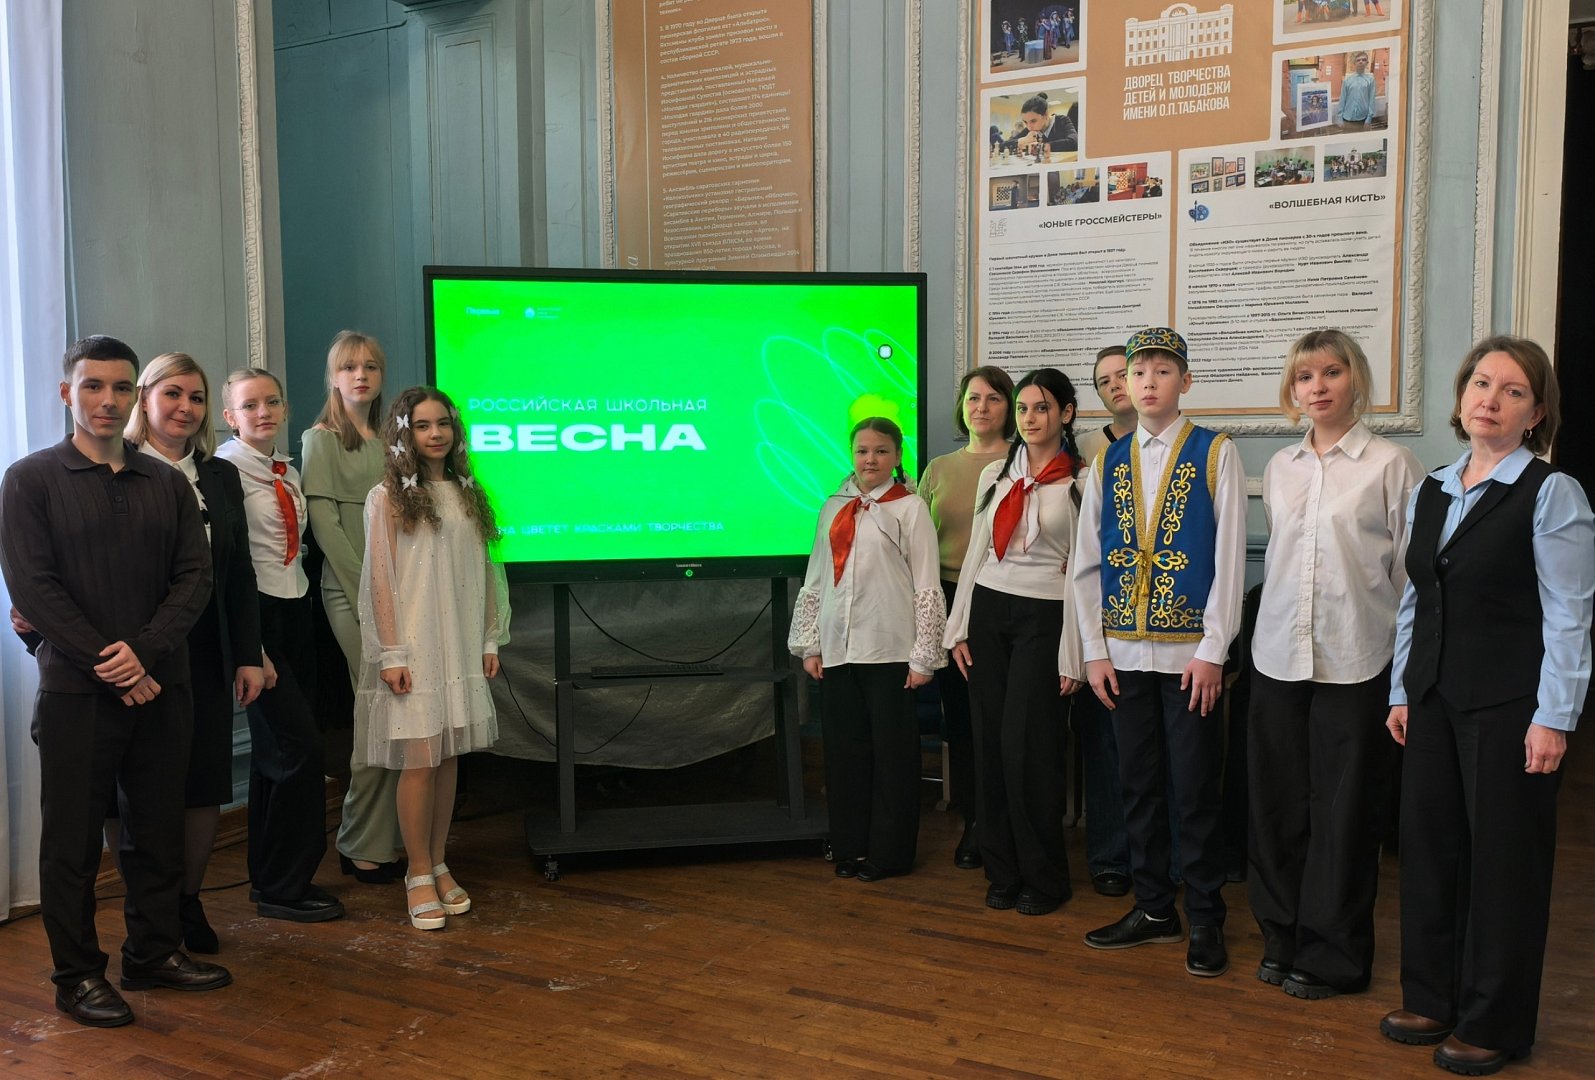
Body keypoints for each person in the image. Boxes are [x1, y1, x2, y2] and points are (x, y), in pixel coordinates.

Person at [0, 335, 230, 1029]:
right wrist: (113, 662)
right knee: (71, 845)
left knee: (155, 832)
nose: (108, 400)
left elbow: (195, 578)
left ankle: (152, 954)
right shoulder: (30, 479)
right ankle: (76, 977)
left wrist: (144, 654)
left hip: (163, 687)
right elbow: (33, 589)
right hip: (76, 694)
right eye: (92, 386)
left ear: (134, 395)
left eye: (121, 387)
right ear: (66, 393)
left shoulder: (166, 482)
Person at [1380, 336, 1593, 1075]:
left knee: (1505, 867)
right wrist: (1402, 689)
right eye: (1480, 383)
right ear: (1462, 394)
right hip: (1432, 699)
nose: (1490, 400)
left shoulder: (1551, 492)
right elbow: (1417, 598)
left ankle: (1493, 1021)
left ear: (1535, 413)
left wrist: (1554, 717)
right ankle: (1431, 997)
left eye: (1511, 391)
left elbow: (1569, 614)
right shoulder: (1433, 487)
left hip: (1510, 706)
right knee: (1429, 853)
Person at [1249, 330, 1422, 1000]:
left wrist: (1403, 677)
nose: (1317, 387)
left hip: (1357, 659)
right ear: (1291, 390)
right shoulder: (1282, 467)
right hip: (1277, 658)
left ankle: (1335, 956)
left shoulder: (1391, 465)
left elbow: (1410, 579)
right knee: (1277, 808)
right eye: (1304, 377)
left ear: (1356, 380)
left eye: (1331, 372)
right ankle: (1280, 935)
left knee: (1344, 816)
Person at [1072, 327, 1246, 977]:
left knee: (1194, 789)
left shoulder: (1214, 453)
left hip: (1188, 659)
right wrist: (1094, 651)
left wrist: (1213, 649)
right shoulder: (1107, 461)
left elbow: (1229, 557)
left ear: (1184, 381)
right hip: (1122, 654)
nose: (1147, 382)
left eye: (1162, 370)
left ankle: (1204, 915)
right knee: (1136, 784)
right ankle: (1152, 909)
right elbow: (1086, 562)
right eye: (1138, 371)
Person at [120, 352, 267, 953]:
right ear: (145, 399)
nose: (186, 407)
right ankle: (148, 911)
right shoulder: (117, 468)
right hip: (139, 649)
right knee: (139, 787)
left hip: (206, 649)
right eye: (173, 394)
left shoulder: (220, 476)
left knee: (203, 781)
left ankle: (187, 902)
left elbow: (239, 572)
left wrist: (249, 652)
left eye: (197, 397)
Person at [356, 386, 509, 929]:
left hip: (459, 643)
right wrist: (391, 652)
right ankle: (417, 871)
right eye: (422, 425)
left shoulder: (469, 494)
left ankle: (440, 861)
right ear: (405, 434)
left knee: (447, 759)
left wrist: (488, 638)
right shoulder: (387, 497)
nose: (435, 434)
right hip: (415, 646)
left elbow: (486, 570)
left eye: (442, 423)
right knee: (420, 760)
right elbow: (380, 579)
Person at [945, 369, 1085, 916]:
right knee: (989, 744)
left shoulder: (1081, 481)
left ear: (1065, 414)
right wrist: (958, 627)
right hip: (988, 611)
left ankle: (1045, 878)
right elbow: (977, 553)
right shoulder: (996, 474)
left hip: (1044, 616)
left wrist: (1074, 652)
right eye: (1023, 408)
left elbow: (1085, 573)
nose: (1030, 418)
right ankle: (1001, 870)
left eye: (1042, 408)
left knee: (1030, 749)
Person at [791, 417, 945, 883]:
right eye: (862, 451)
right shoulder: (832, 507)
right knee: (845, 754)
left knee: (893, 759)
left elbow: (926, 584)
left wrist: (923, 655)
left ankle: (890, 853)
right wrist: (811, 643)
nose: (870, 459)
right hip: (839, 650)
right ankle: (850, 846)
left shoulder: (910, 509)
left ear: (897, 456)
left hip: (890, 651)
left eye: (880, 451)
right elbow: (817, 577)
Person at [217, 369, 346, 924]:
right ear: (230, 416)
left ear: (286, 408)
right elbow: (226, 565)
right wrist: (252, 645)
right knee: (299, 751)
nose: (263, 412)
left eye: (272, 402)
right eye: (250, 405)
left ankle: (270, 877)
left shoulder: (286, 470)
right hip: (258, 617)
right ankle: (285, 886)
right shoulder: (223, 472)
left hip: (297, 609)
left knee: (277, 753)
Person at [301, 331, 402, 885]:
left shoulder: (391, 440)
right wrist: (372, 596)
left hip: (398, 591)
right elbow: (326, 529)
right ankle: (360, 838)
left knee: (400, 712)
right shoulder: (320, 440)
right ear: (333, 377)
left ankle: (388, 836)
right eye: (348, 367)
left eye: (370, 366)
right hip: (351, 593)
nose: (360, 375)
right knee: (377, 708)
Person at [919, 367, 1015, 869]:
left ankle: (1002, 819)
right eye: (973, 398)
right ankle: (974, 818)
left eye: (994, 398)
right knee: (960, 717)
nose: (982, 407)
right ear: (961, 407)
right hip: (947, 598)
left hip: (1002, 598)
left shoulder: (1022, 462)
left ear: (1010, 407)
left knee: (999, 717)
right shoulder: (938, 469)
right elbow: (917, 543)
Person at [1067, 346, 1138, 898]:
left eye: (1124, 374)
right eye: (1104, 381)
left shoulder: (1196, 447)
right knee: (1104, 740)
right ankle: (1111, 854)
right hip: (1100, 608)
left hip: (1163, 613)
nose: (1117, 385)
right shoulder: (1085, 451)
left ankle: (1168, 856)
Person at [1338, 52, 1378, 128]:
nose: (1361, 62)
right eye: (1358, 60)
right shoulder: (1347, 80)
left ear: (1367, 63)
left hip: (1363, 119)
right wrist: (1339, 118)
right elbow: (1342, 98)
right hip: (1347, 118)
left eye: (1363, 60)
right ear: (1354, 63)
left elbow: (1372, 99)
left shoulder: (1370, 80)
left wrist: (1369, 118)